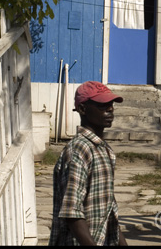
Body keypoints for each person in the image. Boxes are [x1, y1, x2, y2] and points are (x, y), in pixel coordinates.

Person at [49, 81, 128, 246]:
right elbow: (72, 212)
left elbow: (109, 210)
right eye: (102, 105)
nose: (110, 109)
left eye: (111, 104)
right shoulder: (79, 150)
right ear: (83, 109)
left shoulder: (103, 149)